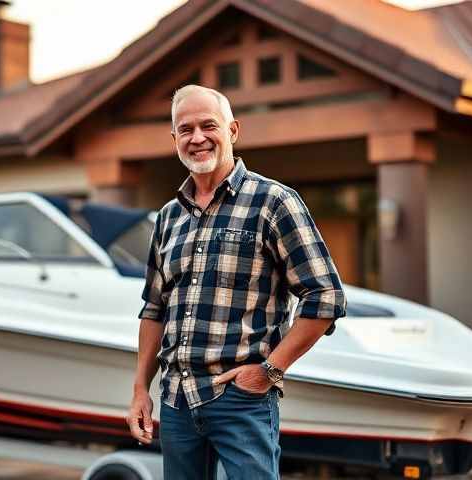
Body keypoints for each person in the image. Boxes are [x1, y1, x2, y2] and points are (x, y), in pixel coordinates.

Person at [126, 85, 347, 479]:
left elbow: (325, 296)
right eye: (185, 129)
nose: (197, 138)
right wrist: (141, 389)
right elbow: (154, 308)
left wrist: (269, 371)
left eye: (208, 125)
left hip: (241, 400)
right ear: (174, 139)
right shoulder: (167, 218)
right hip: (176, 402)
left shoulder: (274, 202)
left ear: (233, 130)